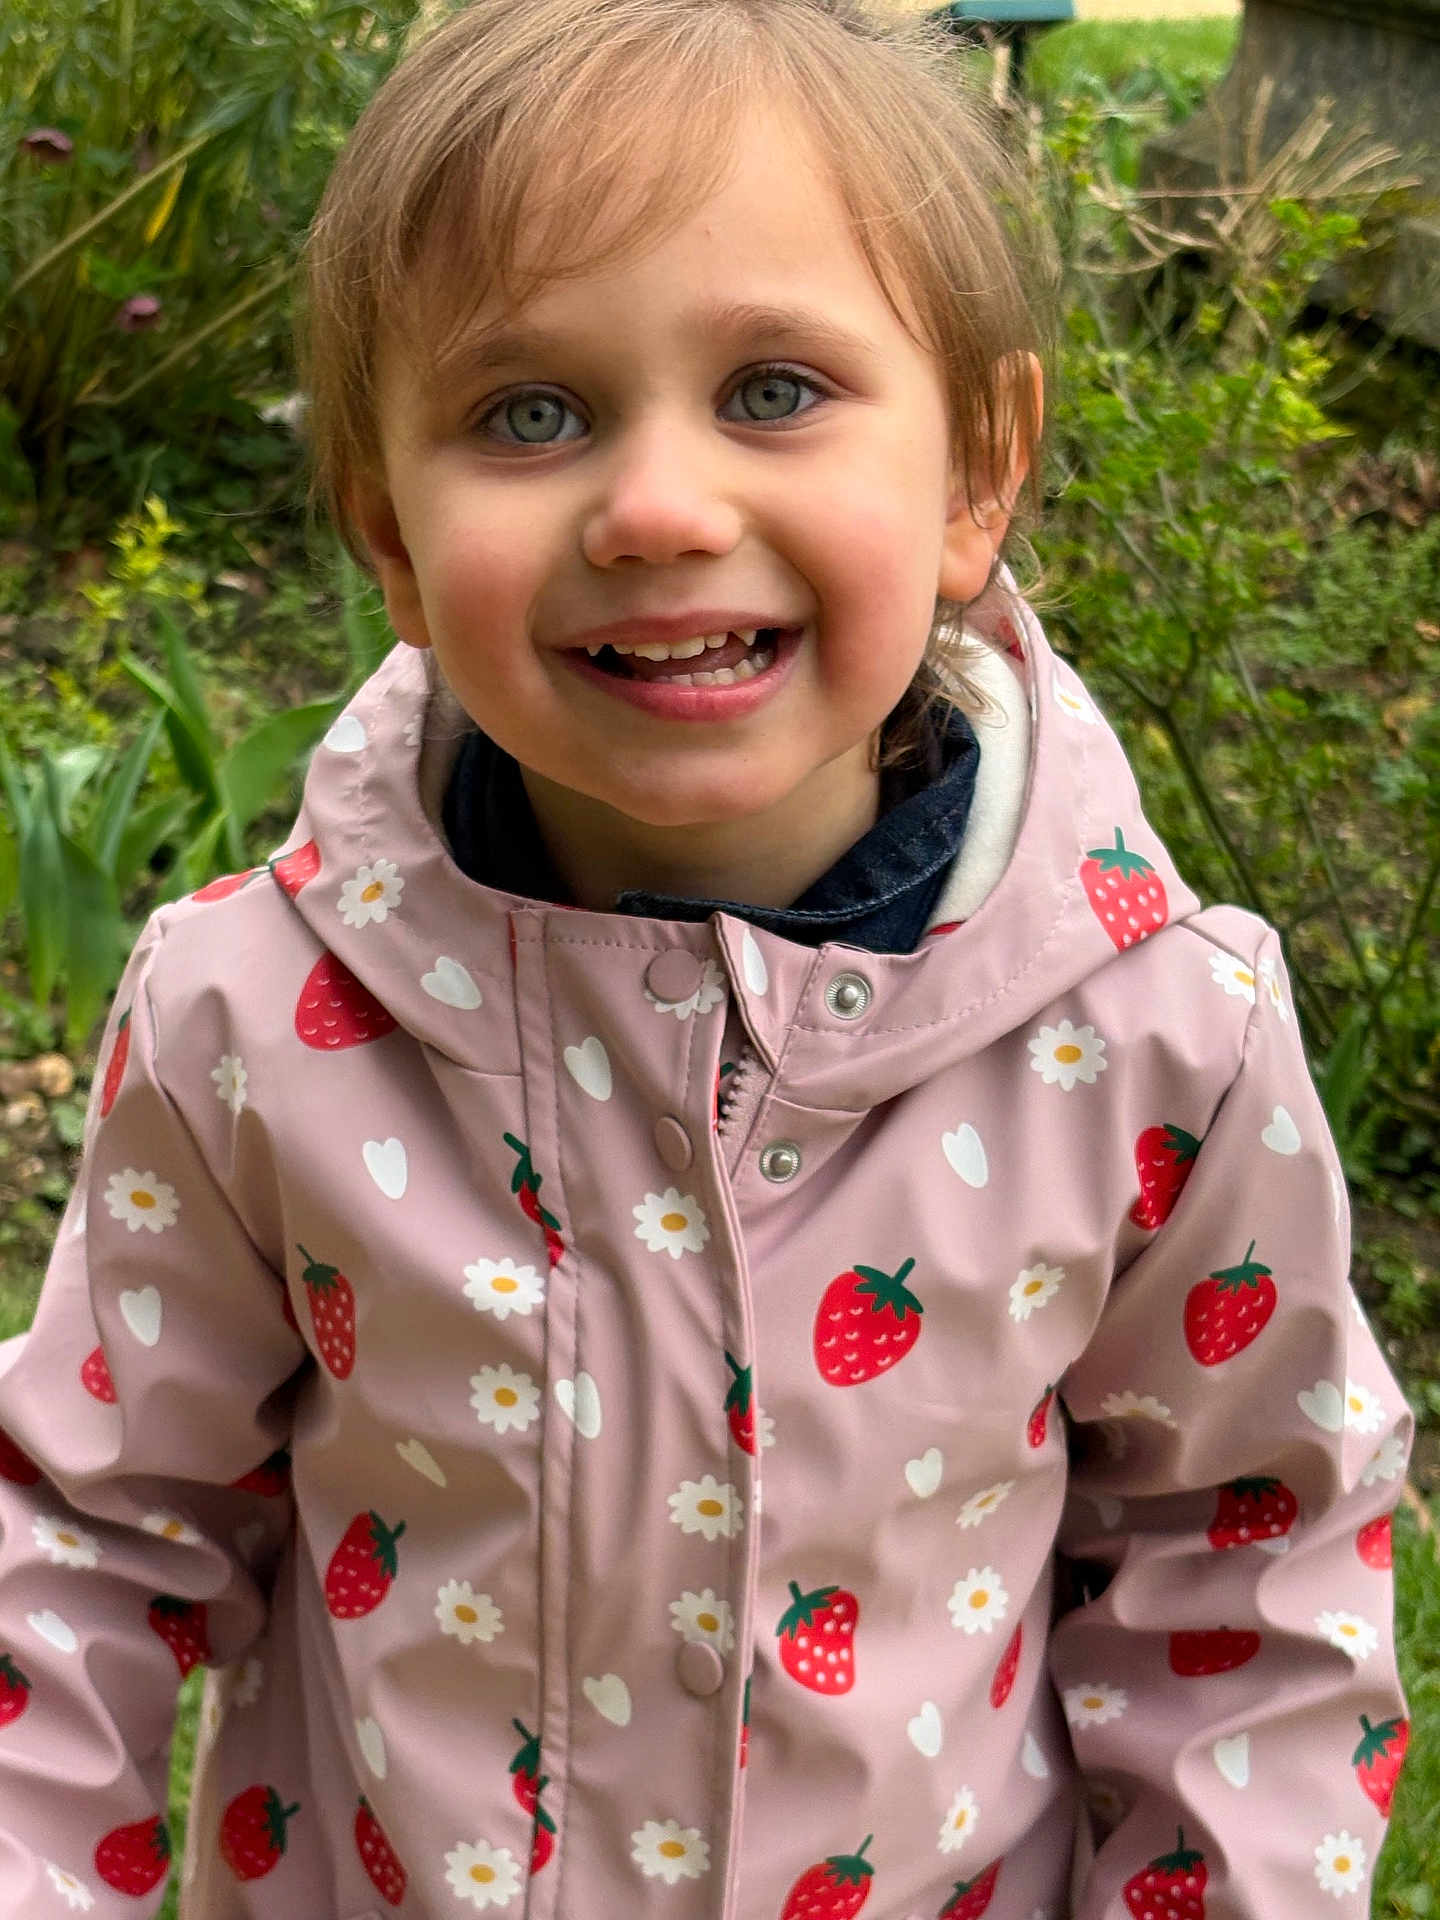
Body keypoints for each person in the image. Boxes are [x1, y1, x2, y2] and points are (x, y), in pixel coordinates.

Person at [0, 1, 1411, 1914]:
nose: (659, 509)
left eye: (773, 389)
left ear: (977, 469)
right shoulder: (255, 1023)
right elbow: (82, 1538)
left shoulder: (1159, 1042)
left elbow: (1243, 1565)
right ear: (390, 538)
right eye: (530, 413)